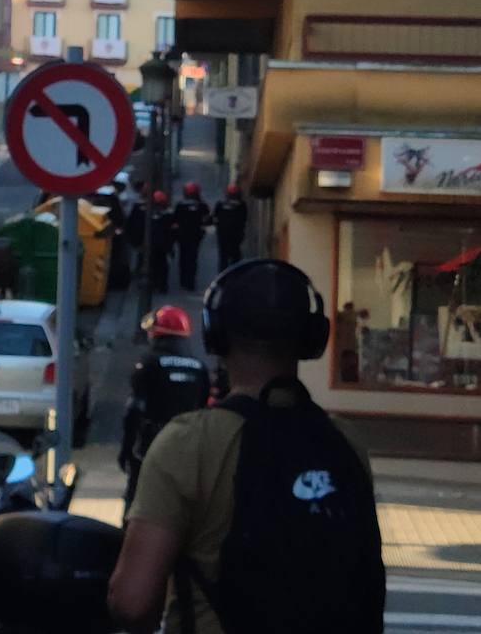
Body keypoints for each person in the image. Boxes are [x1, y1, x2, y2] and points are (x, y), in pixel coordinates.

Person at [108, 259, 385, 634]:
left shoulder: (188, 443)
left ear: (216, 335)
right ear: (312, 338)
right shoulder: (346, 441)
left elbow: (133, 604)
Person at [119, 305, 210, 517]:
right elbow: (204, 410)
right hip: (188, 449)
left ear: (158, 333)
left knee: (138, 501)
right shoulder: (200, 368)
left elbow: (134, 410)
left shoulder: (149, 364)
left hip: (151, 446)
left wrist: (127, 449)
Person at [172, 181, 211, 292]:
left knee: (183, 258)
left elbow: (175, 220)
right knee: (193, 258)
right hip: (195, 235)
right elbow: (207, 219)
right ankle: (191, 282)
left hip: (182, 235)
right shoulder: (202, 205)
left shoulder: (180, 205)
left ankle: (183, 282)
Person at [213, 184, 249, 273]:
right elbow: (244, 219)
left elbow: (214, 217)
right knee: (235, 257)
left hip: (223, 235)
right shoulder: (241, 205)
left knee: (223, 258)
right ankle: (235, 276)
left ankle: (222, 277)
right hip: (236, 236)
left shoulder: (220, 204)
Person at [147, 190, 175, 295]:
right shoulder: (168, 213)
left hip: (155, 243)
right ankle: (161, 285)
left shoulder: (150, 212)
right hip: (162, 243)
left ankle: (157, 284)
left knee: (155, 264)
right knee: (161, 265)